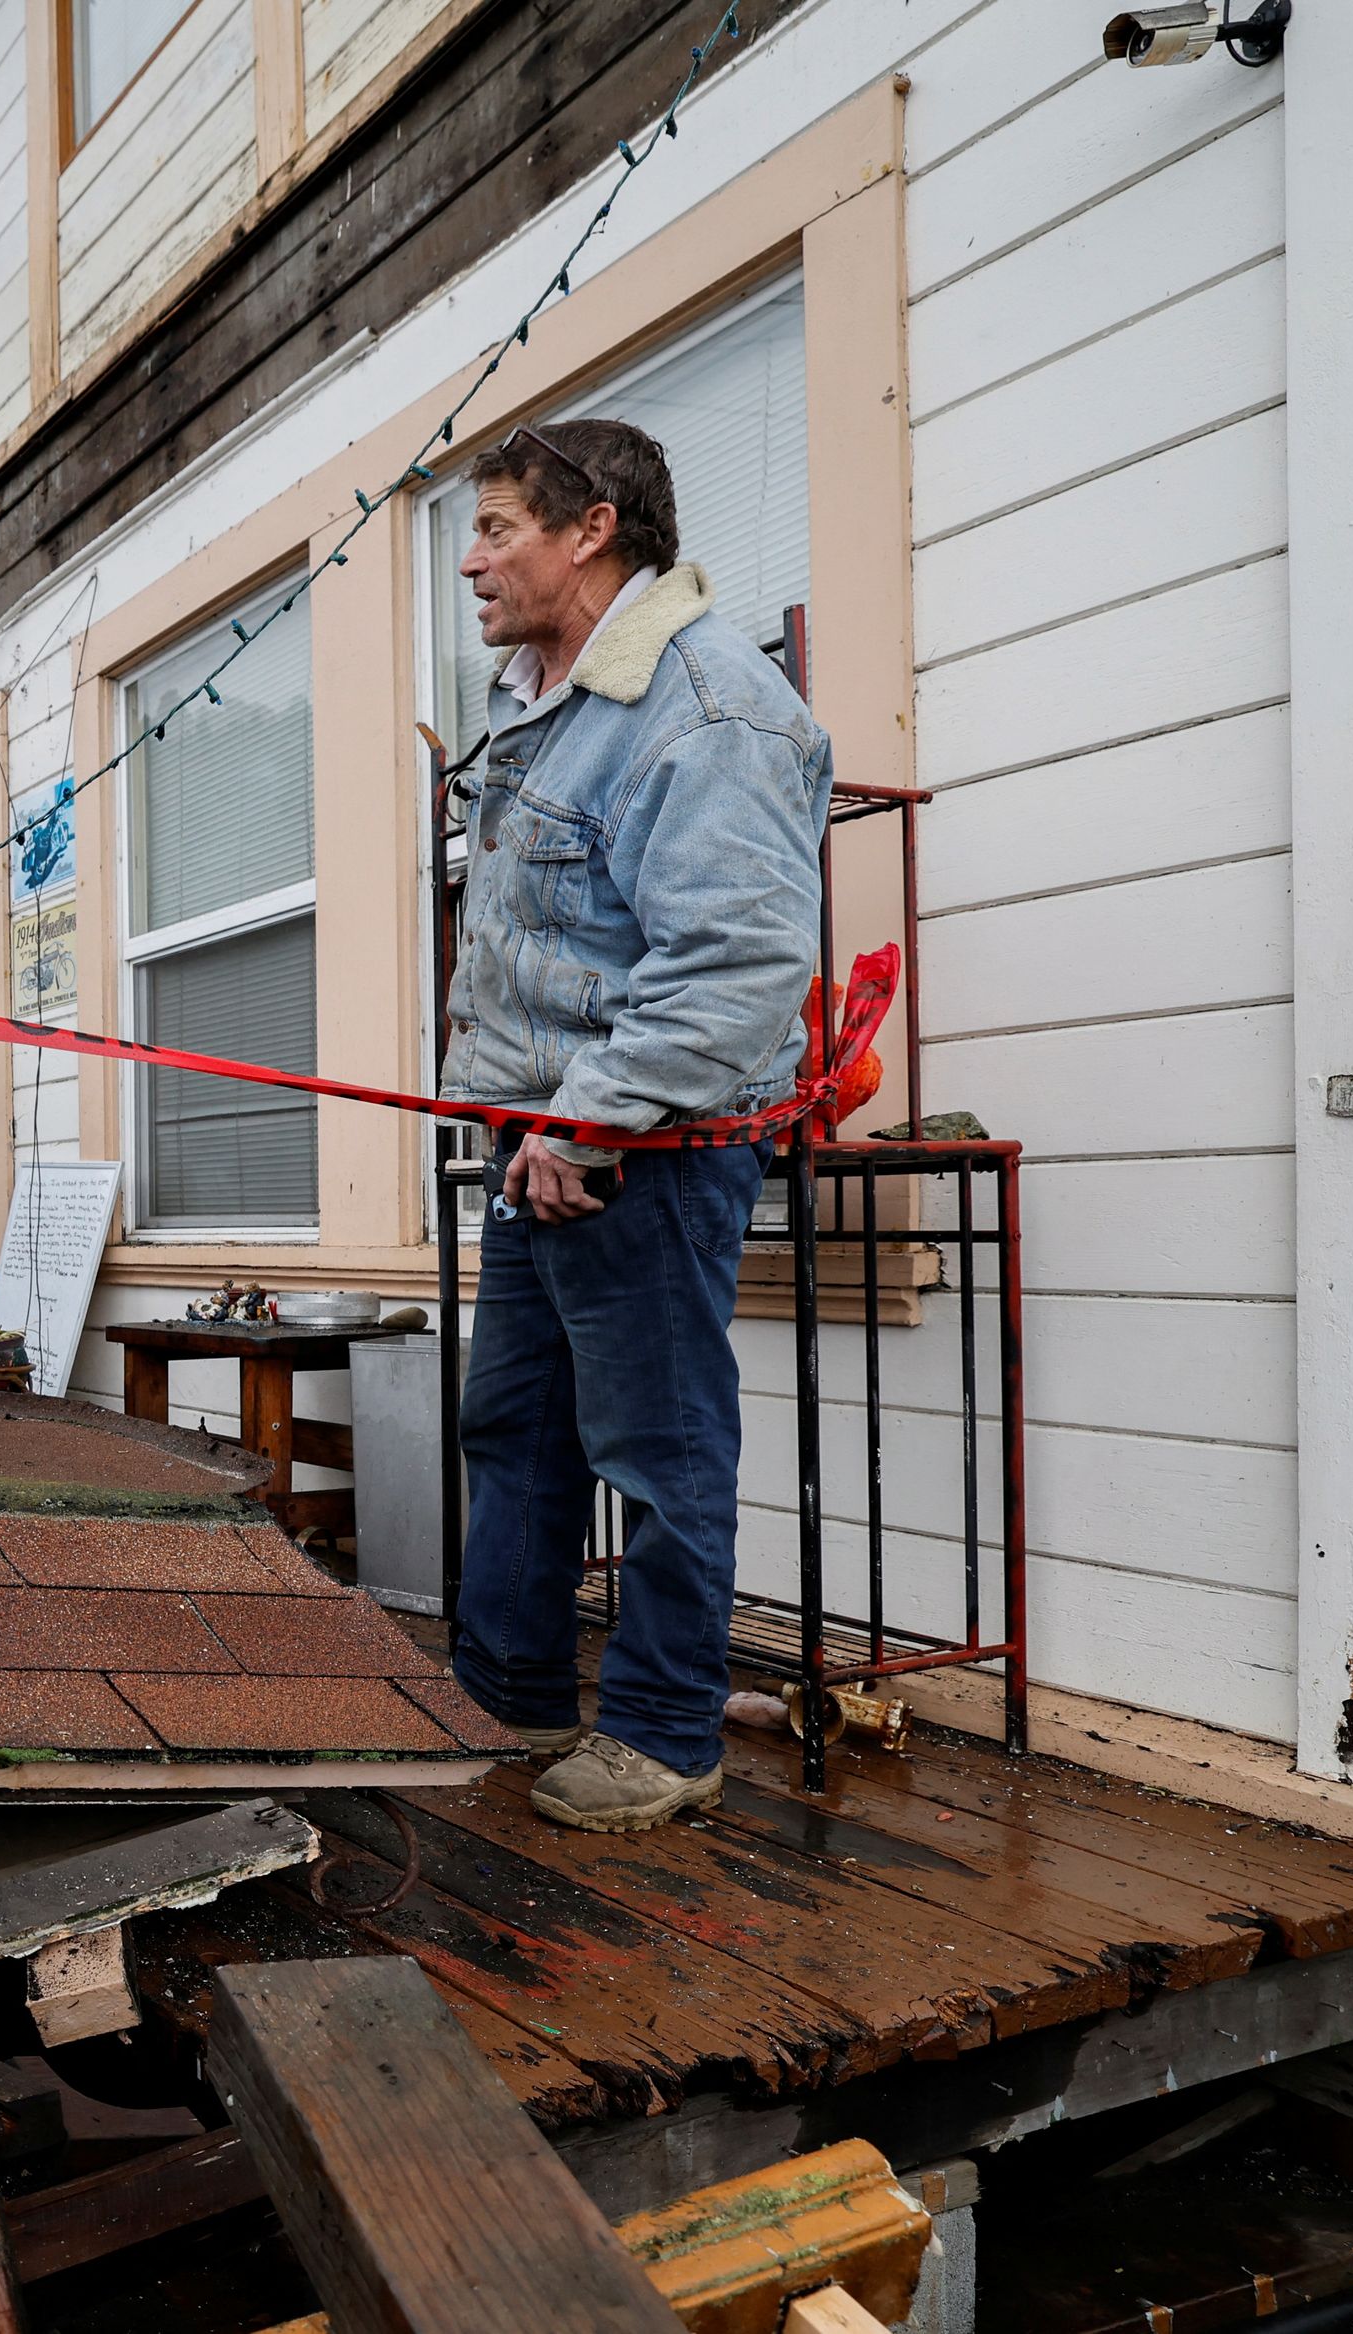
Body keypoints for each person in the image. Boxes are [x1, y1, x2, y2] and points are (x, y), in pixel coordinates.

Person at [438, 418, 829, 1833]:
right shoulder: (541, 694)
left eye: (496, 529)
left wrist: (589, 1122)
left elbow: (734, 964)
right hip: (538, 1137)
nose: (471, 561)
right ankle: (511, 1690)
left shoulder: (710, 707)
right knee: (518, 1424)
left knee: (656, 1449)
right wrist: (528, 1118)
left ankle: (667, 1735)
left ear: (590, 528)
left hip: (646, 1155)